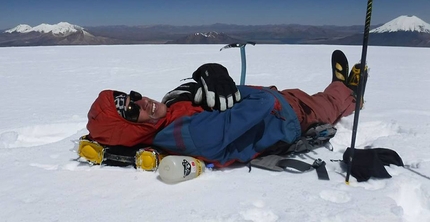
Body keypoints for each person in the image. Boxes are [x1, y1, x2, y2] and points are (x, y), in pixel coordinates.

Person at [85, 50, 367, 168]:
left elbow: (178, 97)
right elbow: (263, 102)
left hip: (276, 107)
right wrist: (234, 90)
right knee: (327, 106)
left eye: (131, 96)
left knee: (317, 97)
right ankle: (351, 94)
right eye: (133, 112)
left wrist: (206, 79)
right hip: (286, 117)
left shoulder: (163, 121)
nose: (141, 101)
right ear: (131, 130)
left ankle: (340, 87)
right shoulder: (194, 135)